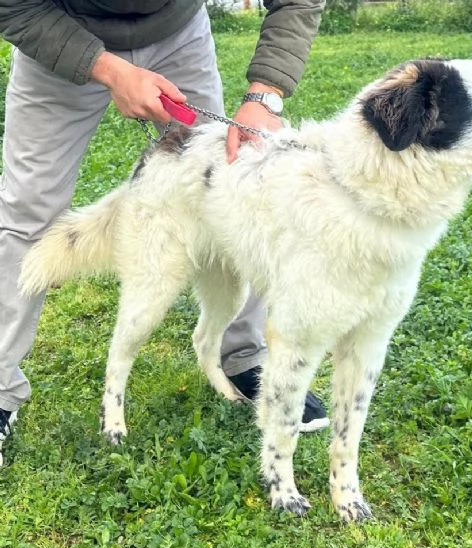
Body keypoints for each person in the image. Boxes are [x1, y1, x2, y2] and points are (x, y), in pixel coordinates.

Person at [0, 0, 329, 467]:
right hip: (60, 29)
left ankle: (242, 357)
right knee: (27, 209)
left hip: (178, 31)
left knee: (230, 183)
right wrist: (109, 70)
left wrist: (265, 93)